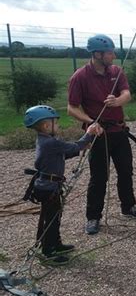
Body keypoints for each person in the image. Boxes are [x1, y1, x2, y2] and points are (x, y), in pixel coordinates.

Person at [67, 34, 136, 235]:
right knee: (99, 177)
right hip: (98, 135)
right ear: (97, 54)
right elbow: (71, 108)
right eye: (110, 53)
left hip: (119, 131)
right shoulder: (80, 77)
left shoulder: (116, 72)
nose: (113, 56)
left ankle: (128, 207)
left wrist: (118, 101)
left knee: (126, 171)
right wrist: (90, 122)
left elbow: (126, 93)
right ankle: (93, 217)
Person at [23, 105, 102, 264]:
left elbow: (62, 154)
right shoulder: (50, 143)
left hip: (48, 187)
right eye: (55, 123)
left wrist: (80, 147)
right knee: (51, 220)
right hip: (49, 188)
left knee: (55, 217)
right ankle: (49, 251)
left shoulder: (44, 141)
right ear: (46, 126)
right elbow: (73, 147)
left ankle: (55, 244)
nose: (58, 126)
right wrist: (88, 134)